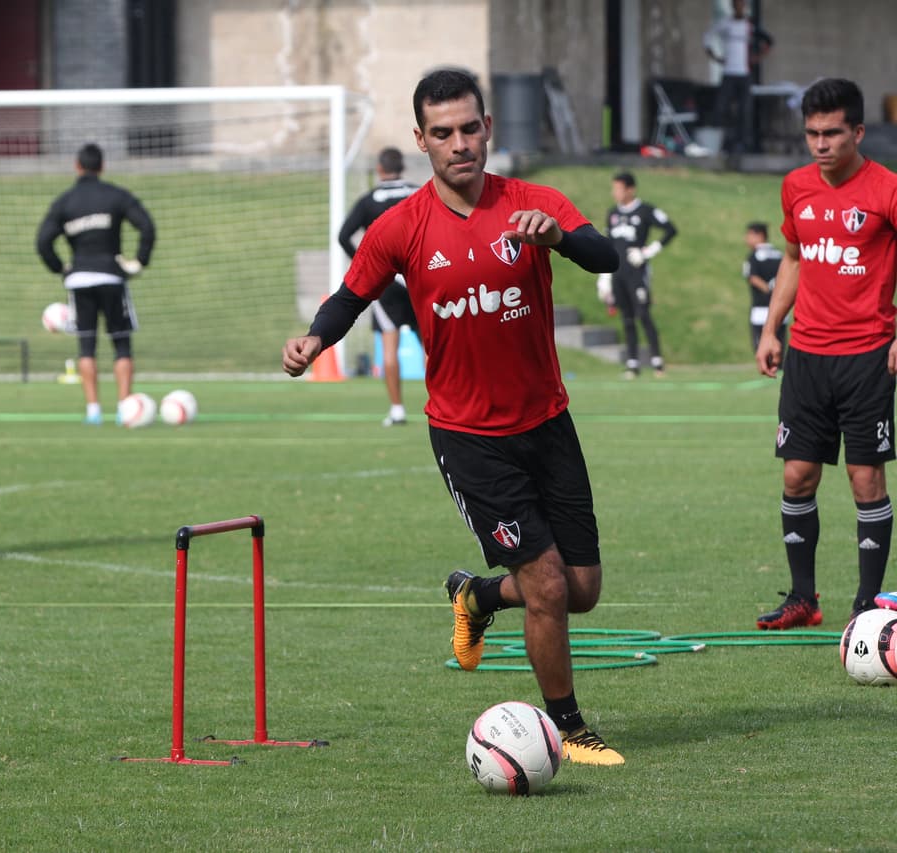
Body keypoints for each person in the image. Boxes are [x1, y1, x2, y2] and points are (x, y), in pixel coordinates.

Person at [282, 68, 624, 765]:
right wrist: (316, 337)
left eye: (471, 128)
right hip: (469, 437)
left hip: (547, 422)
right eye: (443, 133)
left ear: (488, 127)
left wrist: (557, 236)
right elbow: (350, 296)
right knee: (549, 584)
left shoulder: (533, 202)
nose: (460, 143)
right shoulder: (401, 226)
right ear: (421, 140)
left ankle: (474, 595)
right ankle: (570, 728)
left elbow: (604, 254)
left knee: (581, 590)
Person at [755, 78, 897, 629]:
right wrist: (772, 329)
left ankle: (865, 608)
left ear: (857, 132)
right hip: (807, 357)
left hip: (867, 357)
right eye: (812, 133)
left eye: (832, 133)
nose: (820, 143)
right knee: (797, 476)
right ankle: (803, 599)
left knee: (866, 480)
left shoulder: (885, 189)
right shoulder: (796, 187)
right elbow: (792, 259)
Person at [37, 143, 156, 425]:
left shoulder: (65, 202)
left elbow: (42, 242)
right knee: (121, 343)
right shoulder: (115, 195)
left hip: (79, 281)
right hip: (112, 278)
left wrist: (61, 268)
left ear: (77, 166)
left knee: (86, 345)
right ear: (102, 166)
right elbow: (147, 226)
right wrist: (139, 261)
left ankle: (93, 411)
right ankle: (125, 408)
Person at [338, 146, 422, 426]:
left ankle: (397, 409)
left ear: (379, 169)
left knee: (389, 344)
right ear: (402, 167)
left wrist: (368, 266)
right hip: (421, 277)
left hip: (387, 282)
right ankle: (447, 405)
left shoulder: (370, 199)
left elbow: (343, 235)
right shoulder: (419, 193)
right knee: (434, 346)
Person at [599, 171, 676, 379]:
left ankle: (657, 361)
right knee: (626, 317)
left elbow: (670, 230)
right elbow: (608, 244)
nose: (614, 192)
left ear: (630, 189)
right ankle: (632, 364)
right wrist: (604, 278)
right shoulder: (612, 213)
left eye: (618, 188)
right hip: (618, 272)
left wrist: (647, 252)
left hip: (637, 272)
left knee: (643, 314)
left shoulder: (645, 210)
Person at [704, 0, 774, 155]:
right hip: (729, 72)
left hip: (744, 73)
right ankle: (721, 142)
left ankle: (744, 145)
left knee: (745, 111)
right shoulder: (725, 24)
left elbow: (768, 41)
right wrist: (715, 57)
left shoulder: (749, 26)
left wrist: (757, 57)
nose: (740, 7)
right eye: (737, 4)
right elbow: (708, 37)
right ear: (732, 6)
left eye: (742, 4)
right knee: (721, 107)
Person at [743, 221, 785, 352]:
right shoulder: (779, 255)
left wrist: (767, 289)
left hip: (760, 310)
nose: (746, 239)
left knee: (761, 347)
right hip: (781, 310)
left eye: (749, 235)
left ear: (759, 235)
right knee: (779, 347)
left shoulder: (754, 256)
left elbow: (753, 277)